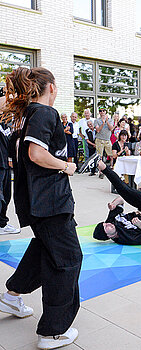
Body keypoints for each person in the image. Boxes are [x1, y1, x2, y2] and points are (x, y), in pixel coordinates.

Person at [0, 67, 82, 349]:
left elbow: (19, 157)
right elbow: (36, 154)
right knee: (67, 260)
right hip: (50, 203)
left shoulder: (26, 118)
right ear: (52, 87)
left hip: (37, 202)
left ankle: (12, 294)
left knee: (44, 249)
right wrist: (66, 166)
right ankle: (52, 332)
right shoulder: (45, 113)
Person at [0, 91, 20, 235]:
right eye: (5, 99)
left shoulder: (8, 122)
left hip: (5, 164)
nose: (8, 102)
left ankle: (2, 224)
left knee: (6, 196)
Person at [94, 107, 114, 178]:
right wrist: (102, 123)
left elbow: (111, 128)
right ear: (99, 112)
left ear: (105, 112)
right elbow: (98, 130)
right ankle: (100, 172)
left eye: (103, 110)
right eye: (100, 111)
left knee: (111, 155)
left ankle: (112, 169)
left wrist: (106, 121)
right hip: (99, 139)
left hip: (107, 140)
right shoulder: (96, 120)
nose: (102, 112)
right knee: (100, 156)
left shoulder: (110, 120)